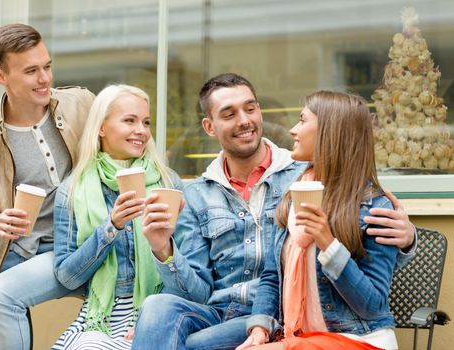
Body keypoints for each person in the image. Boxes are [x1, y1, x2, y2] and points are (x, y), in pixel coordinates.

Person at [132, 73, 416, 350]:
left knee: (192, 345)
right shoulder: (198, 195)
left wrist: (407, 239)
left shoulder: (296, 178)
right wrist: (163, 250)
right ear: (210, 127)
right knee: (156, 307)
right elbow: (199, 292)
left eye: (251, 108)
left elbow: (361, 241)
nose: (245, 121)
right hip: (225, 312)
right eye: (229, 114)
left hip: (287, 316)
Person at [0, 24, 94, 350]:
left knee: (3, 296)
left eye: (47, 66)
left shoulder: (81, 105)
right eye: (31, 71)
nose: (45, 79)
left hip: (71, 246)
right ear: (1, 76)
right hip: (6, 253)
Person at [237, 91, 401, 350]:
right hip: (302, 338)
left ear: (329, 131)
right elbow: (271, 277)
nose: (292, 130)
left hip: (358, 340)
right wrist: (259, 327)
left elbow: (372, 306)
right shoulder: (293, 196)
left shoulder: (374, 209)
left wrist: (328, 243)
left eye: (302, 121)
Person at [51, 84, 183, 349]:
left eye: (145, 122)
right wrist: (111, 227)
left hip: (160, 307)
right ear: (101, 127)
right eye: (129, 121)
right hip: (100, 315)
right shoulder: (74, 188)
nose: (141, 131)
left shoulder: (169, 182)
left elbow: (188, 267)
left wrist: (153, 317)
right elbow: (67, 277)